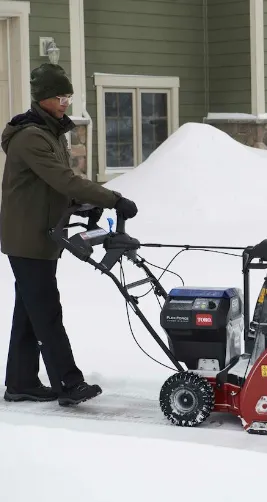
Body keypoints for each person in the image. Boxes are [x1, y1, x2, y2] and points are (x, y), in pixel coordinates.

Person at [0, 63, 138, 406]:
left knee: (30, 309)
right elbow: (64, 179)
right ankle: (69, 382)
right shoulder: (32, 136)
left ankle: (21, 382)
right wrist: (112, 198)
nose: (65, 103)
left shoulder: (51, 133)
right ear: (43, 98)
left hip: (40, 235)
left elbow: (59, 183)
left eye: (68, 96)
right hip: (28, 238)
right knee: (46, 309)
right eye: (59, 97)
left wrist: (83, 205)